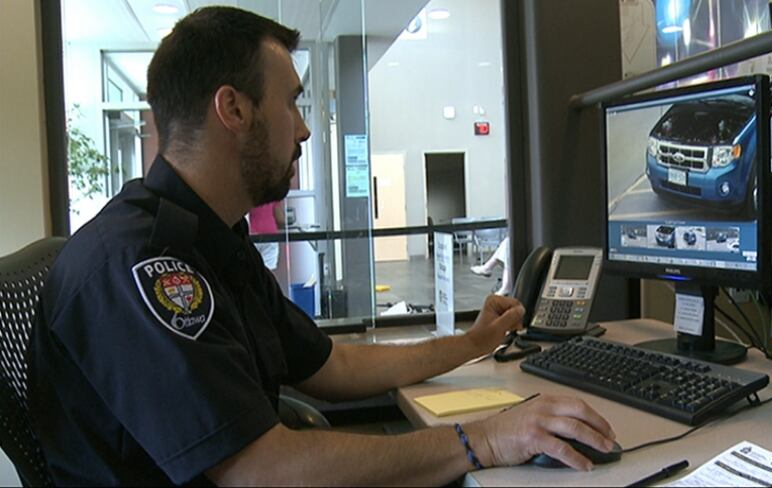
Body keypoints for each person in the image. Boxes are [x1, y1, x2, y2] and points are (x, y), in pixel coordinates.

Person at [28, 7, 616, 486]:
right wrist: (484, 439)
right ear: (233, 109)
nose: (304, 128)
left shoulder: (211, 237)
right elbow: (262, 470)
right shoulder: (138, 266)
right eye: (291, 103)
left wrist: (470, 344)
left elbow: (330, 364)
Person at [249, 200, 285, 270]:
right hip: (270, 236)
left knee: (253, 268)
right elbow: (281, 220)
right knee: (268, 270)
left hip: (253, 236)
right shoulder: (273, 197)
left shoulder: (251, 195)